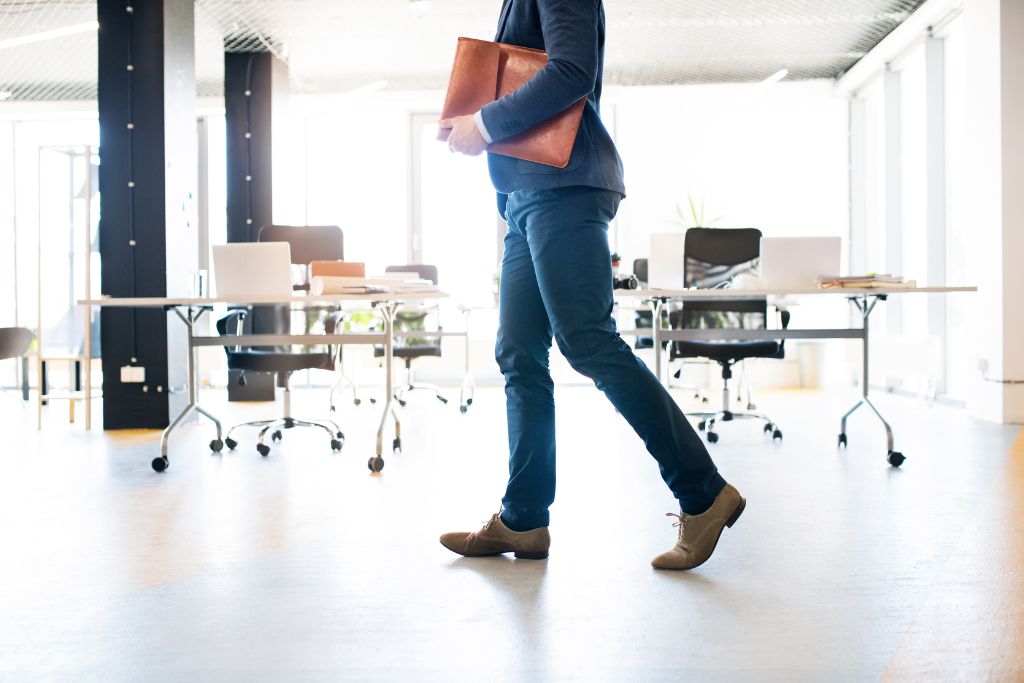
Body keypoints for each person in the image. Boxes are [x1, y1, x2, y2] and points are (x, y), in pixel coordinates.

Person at [438, 0, 744, 571]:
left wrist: (483, 124)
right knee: (519, 353)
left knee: (587, 340)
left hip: (564, 187)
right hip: (526, 197)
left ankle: (704, 494)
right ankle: (524, 518)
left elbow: (572, 70)